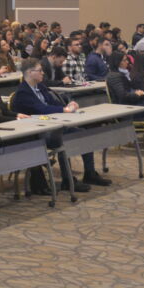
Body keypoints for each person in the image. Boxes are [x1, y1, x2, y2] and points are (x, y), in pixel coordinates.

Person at [13, 57, 110, 191]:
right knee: (66, 140)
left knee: (83, 134)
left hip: (53, 126)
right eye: (40, 70)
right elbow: (42, 109)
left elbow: (53, 103)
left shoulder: (40, 86)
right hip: (37, 133)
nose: (43, 73)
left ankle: (90, 173)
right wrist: (64, 110)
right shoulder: (23, 92)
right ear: (30, 72)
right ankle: (67, 180)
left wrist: (68, 105)